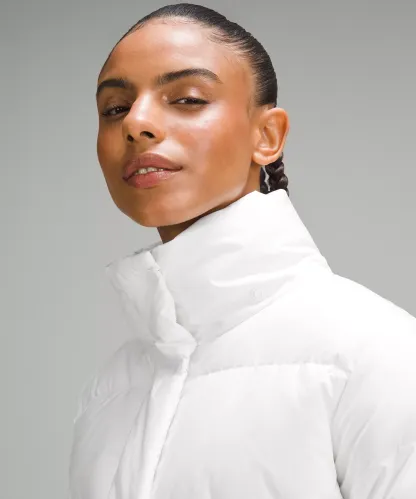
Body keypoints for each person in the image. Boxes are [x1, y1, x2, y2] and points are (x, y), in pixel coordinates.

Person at [68, 4, 416, 498]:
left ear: (267, 136)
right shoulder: (109, 393)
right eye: (115, 108)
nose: (136, 123)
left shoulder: (379, 355)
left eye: (187, 99)